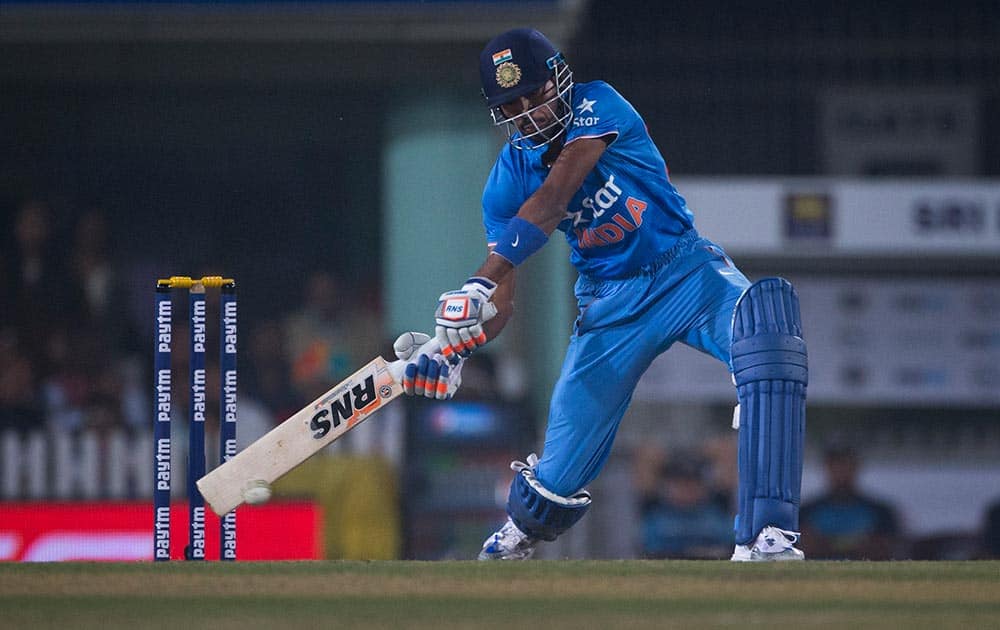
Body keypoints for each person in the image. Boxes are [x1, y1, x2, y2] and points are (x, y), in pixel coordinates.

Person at [392, 28, 808, 561]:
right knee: (555, 479)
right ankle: (516, 536)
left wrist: (479, 278)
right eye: (511, 106)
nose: (529, 114)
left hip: (687, 272)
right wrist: (454, 345)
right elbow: (504, 307)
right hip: (611, 304)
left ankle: (767, 536)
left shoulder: (598, 103)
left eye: (536, 95)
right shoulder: (504, 183)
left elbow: (554, 197)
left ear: (559, 80)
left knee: (769, 341)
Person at [799, 447, 901, 560]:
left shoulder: (881, 512)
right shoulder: (806, 512)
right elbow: (801, 547)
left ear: (856, 468)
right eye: (836, 467)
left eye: (846, 466)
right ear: (827, 469)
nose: (841, 474)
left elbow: (890, 547)